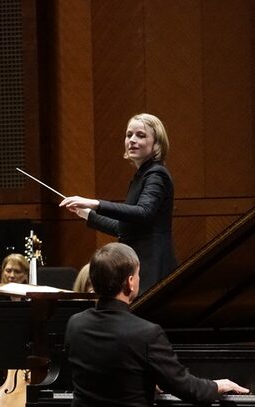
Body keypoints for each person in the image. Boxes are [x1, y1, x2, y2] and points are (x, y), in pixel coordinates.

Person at [66, 242, 248, 407]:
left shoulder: (74, 324)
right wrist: (218, 385)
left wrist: (141, 380)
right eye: (137, 275)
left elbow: (109, 371)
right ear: (130, 282)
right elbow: (189, 389)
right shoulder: (146, 332)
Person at [59, 113, 177, 294]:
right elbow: (124, 228)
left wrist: (95, 204)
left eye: (141, 135)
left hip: (152, 268)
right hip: (137, 266)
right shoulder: (142, 176)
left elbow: (143, 212)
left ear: (157, 143)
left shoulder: (156, 174)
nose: (132, 140)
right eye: (129, 135)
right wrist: (86, 214)